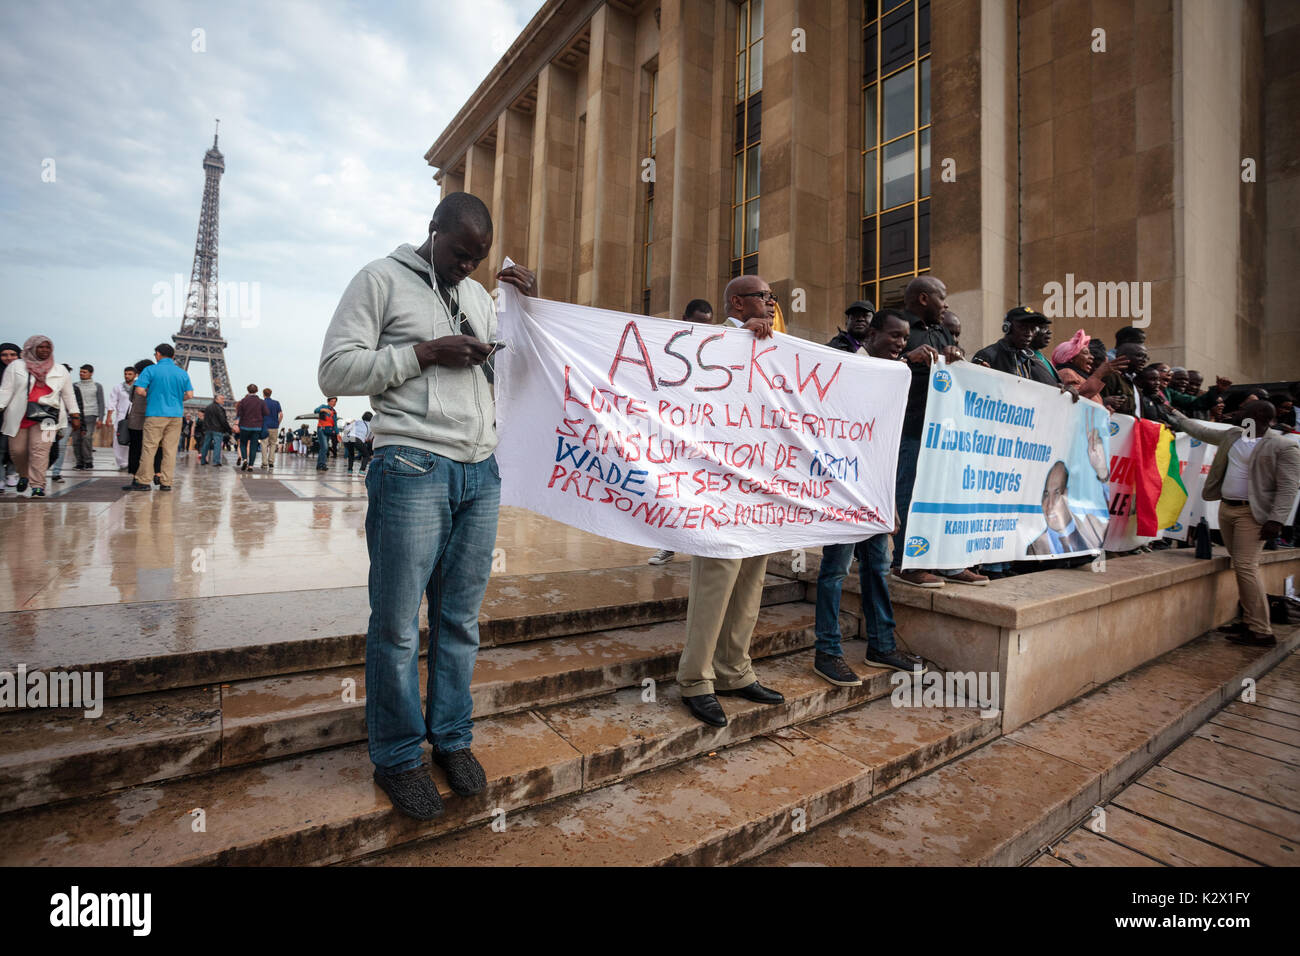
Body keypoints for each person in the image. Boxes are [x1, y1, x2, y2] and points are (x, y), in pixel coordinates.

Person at [319, 191, 538, 819]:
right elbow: (335, 372)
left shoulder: (476, 297)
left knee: (459, 621)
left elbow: (515, 371)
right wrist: (423, 352)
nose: (467, 267)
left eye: (479, 259)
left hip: (479, 470)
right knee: (394, 625)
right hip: (412, 462)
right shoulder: (379, 280)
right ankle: (397, 755)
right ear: (434, 229)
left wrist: (522, 309)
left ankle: (451, 737)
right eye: (460, 253)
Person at [672, 273, 786, 728]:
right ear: (737, 304)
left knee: (751, 581)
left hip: (759, 481)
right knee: (716, 580)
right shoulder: (715, 341)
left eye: (773, 297)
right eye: (763, 297)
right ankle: (695, 679)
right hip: (719, 484)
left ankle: (735, 670)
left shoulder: (776, 346)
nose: (772, 303)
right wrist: (743, 339)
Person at [814, 308, 931, 683]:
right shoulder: (847, 367)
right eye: (894, 336)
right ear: (872, 334)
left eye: (905, 338)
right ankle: (827, 652)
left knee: (877, 569)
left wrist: (889, 503)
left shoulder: (897, 377)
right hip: (844, 494)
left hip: (876, 494)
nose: (900, 344)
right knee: (834, 571)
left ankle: (881, 646)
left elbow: (885, 444)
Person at [1168, 402, 1300, 646]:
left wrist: (1276, 520)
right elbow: (1200, 432)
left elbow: (1289, 487)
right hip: (1227, 509)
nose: (1238, 413)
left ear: (1260, 416)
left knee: (1246, 566)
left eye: (1244, 411)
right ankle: (1250, 621)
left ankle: (1261, 631)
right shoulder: (1233, 435)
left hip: (1253, 515)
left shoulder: (1284, 445)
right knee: (1242, 566)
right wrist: (1173, 413)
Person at [892, 276, 986, 588]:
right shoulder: (896, 325)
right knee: (910, 494)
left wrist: (960, 362)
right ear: (922, 298)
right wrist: (907, 359)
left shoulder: (942, 329)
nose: (945, 304)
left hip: (945, 431)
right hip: (911, 428)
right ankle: (907, 563)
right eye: (941, 297)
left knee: (945, 495)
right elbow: (873, 366)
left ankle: (949, 562)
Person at [0, 336, 82, 497]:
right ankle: (23, 474)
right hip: (20, 415)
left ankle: (38, 485)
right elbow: (6, 390)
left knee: (41, 450)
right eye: (40, 347)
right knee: (18, 451)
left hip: (48, 417)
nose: (44, 350)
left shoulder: (59, 369)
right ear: (31, 348)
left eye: (47, 347)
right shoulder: (16, 366)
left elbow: (68, 394)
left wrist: (75, 414)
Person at [124, 344, 193, 492]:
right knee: (170, 450)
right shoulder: (182, 373)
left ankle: (143, 481)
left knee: (149, 448)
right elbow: (190, 395)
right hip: (175, 415)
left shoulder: (150, 370)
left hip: (155, 413)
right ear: (173, 356)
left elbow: (140, 390)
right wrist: (175, 399)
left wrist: (152, 396)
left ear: (158, 354)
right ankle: (166, 482)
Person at [1026, 460, 1108, 555]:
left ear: (1068, 495)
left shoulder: (1092, 529)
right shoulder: (1035, 549)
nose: (1050, 504)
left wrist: (1104, 475)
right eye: (1046, 494)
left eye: (1057, 493)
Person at [972, 307, 1057, 385]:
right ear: (1007, 328)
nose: (1029, 333)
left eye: (1033, 329)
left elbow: (1052, 388)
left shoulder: (1035, 361)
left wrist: (1065, 392)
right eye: (1023, 327)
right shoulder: (987, 356)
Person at [1052, 330, 1128, 400]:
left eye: (1090, 353)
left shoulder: (1082, 376)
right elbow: (1077, 398)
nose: (1091, 357)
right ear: (1071, 358)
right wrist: (1099, 373)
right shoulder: (1067, 372)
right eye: (1085, 353)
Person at [1099, 342, 1148, 415]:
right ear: (1123, 357)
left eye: (1146, 357)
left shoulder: (1134, 382)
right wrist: (1104, 402)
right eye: (1139, 355)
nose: (1144, 360)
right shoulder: (1111, 376)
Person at [71, 364, 105, 470]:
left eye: (84, 372)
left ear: (91, 373)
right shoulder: (74, 385)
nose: (82, 374)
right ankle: (79, 463)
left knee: (86, 437)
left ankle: (88, 461)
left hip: (91, 415)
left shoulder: (97, 386)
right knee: (76, 440)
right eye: (81, 372)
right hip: (77, 415)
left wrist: (100, 418)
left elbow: (101, 402)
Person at [0, 342, 21, 491]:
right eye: (4, 355)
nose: (9, 358)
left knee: (16, 448)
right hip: (0, 416)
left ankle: (12, 471)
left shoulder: (25, 372)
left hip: (18, 416)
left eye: (13, 355)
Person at [106, 366, 136, 470]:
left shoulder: (139, 387)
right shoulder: (118, 387)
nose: (127, 376)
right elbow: (112, 402)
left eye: (129, 374)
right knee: (118, 440)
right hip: (121, 417)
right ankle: (122, 463)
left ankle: (130, 461)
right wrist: (109, 416)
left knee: (133, 440)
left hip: (136, 417)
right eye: (125, 374)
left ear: (135, 375)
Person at [234, 383, 267, 472]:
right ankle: (251, 466)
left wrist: (236, 425)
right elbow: (266, 413)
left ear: (248, 390)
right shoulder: (261, 402)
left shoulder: (243, 401)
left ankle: (245, 459)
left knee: (243, 444)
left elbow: (239, 414)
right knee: (253, 446)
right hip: (256, 427)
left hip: (245, 426)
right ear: (257, 391)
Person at [199, 394, 231, 466]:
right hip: (217, 429)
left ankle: (203, 460)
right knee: (217, 445)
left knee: (206, 445)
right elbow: (223, 420)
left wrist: (205, 428)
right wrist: (228, 429)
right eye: (222, 399)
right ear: (216, 400)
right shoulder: (220, 409)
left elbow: (205, 419)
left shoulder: (208, 407)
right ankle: (216, 461)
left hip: (208, 429)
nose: (223, 400)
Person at [1029, 319, 1059, 383]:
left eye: (1048, 328)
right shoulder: (1022, 357)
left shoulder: (1043, 358)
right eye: (1043, 328)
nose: (1049, 332)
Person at [313, 396, 338, 471]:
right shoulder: (323, 406)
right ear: (328, 401)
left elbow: (335, 424)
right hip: (321, 428)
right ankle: (322, 464)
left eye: (335, 401)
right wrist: (323, 409)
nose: (334, 403)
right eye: (332, 401)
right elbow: (315, 410)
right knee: (325, 447)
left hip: (328, 430)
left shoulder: (334, 412)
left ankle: (320, 465)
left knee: (323, 448)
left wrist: (337, 433)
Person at [260, 387, 283, 470]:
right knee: (273, 444)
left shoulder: (262, 403)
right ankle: (271, 462)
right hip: (274, 426)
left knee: (264, 444)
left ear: (263, 394)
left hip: (265, 426)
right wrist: (278, 423)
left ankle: (264, 463)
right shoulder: (276, 403)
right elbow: (281, 415)